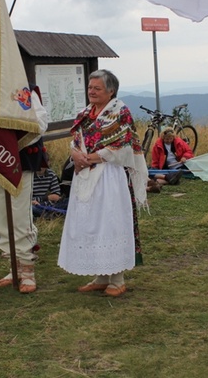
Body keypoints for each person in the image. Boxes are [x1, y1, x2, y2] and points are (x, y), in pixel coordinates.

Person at [58, 69, 149, 297]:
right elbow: (75, 141)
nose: (92, 91)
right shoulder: (85, 114)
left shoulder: (120, 113)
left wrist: (92, 158)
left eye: (97, 88)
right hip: (86, 175)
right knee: (89, 222)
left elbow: (125, 145)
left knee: (110, 222)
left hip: (110, 176)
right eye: (90, 88)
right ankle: (100, 275)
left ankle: (117, 279)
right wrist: (76, 155)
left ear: (111, 91)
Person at [0, 87, 48, 294]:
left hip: (19, 160)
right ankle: (14, 267)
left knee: (20, 214)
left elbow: (40, 124)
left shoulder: (23, 89)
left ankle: (27, 268)